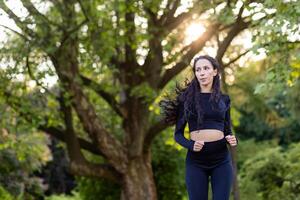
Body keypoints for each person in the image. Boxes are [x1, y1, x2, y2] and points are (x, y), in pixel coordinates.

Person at [159, 55, 238, 200]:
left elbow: (227, 130)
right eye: (198, 70)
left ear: (215, 72)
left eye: (206, 68)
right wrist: (191, 145)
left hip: (221, 159)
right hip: (196, 161)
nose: (201, 73)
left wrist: (233, 139)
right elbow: (178, 135)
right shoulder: (187, 100)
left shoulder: (224, 99)